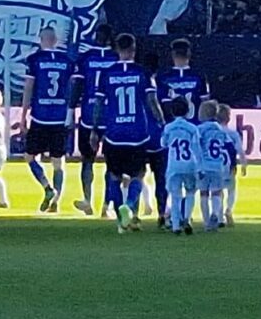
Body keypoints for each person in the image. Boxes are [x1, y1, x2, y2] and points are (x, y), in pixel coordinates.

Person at [98, 33, 161, 236]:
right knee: (138, 174)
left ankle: (121, 220)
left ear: (117, 49)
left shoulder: (106, 73)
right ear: (134, 50)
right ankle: (131, 205)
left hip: (114, 134)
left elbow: (98, 104)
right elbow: (152, 102)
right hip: (137, 134)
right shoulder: (143, 73)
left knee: (114, 176)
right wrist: (161, 121)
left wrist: (94, 130)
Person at [19, 25, 74, 214]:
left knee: (29, 156)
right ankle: (57, 200)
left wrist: (23, 115)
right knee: (58, 162)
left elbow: (29, 87)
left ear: (40, 40)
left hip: (40, 117)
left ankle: (46, 187)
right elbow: (71, 87)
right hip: (59, 117)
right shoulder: (66, 60)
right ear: (56, 41)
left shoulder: (34, 59)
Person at [72, 24, 118, 217]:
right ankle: (106, 206)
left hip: (89, 116)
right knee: (111, 163)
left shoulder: (86, 57)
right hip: (111, 117)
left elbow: (77, 86)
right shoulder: (116, 59)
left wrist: (70, 111)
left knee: (87, 160)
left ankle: (88, 200)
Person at [159, 97, 202, 236]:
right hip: (190, 164)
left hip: (174, 166)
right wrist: (200, 167)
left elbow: (163, 144)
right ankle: (187, 219)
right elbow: (196, 148)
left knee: (175, 195)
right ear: (188, 111)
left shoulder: (168, 127)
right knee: (190, 192)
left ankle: (175, 225)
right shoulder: (192, 128)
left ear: (172, 111)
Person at [194, 100, 231, 232]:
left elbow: (196, 145)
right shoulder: (221, 129)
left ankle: (206, 222)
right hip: (218, 166)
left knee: (203, 193)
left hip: (204, 165)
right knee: (216, 193)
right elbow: (228, 144)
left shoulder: (200, 129)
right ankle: (215, 214)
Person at [217, 102, 245, 227]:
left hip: (216, 166)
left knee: (218, 191)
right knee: (231, 190)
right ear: (228, 117)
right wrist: (244, 164)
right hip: (230, 166)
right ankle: (228, 209)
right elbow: (240, 150)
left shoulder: (214, 132)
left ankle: (219, 216)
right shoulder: (233, 134)